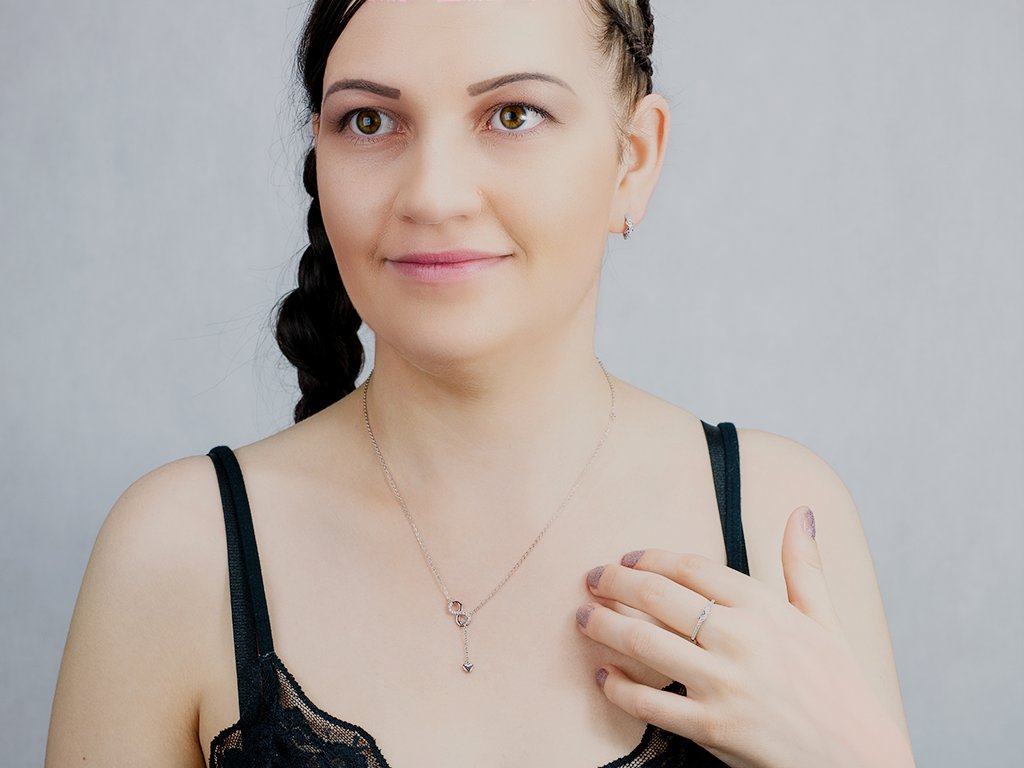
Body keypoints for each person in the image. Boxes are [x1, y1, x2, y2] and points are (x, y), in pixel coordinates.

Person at [45, 0, 917, 765]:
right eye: (371, 122)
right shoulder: (178, 552)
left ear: (635, 158)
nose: (434, 195)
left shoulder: (777, 524)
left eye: (513, 115)